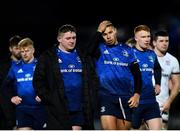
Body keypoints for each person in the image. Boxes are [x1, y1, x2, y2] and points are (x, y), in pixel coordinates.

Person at [33, 24, 96, 130]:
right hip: (57, 109)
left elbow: (92, 77)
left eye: (74, 38)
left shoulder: (82, 55)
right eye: (68, 38)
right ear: (59, 39)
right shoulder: (48, 57)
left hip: (79, 107)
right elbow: (38, 80)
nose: (71, 41)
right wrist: (50, 98)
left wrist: (91, 96)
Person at [87, 20, 142, 130]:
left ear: (115, 31)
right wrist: (98, 31)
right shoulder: (100, 49)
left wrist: (137, 94)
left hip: (126, 98)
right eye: (104, 34)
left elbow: (137, 75)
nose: (108, 36)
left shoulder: (128, 50)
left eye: (110, 32)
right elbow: (88, 51)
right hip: (106, 96)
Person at [2, 38, 46, 130]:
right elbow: (5, 86)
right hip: (22, 109)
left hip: (40, 108)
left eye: (27, 51)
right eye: (22, 51)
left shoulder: (41, 65)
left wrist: (44, 93)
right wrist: (12, 97)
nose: (24, 54)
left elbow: (52, 83)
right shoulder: (15, 66)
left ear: (33, 50)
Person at [132, 25, 162, 130]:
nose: (147, 39)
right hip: (135, 102)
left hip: (151, 100)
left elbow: (158, 69)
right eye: (143, 37)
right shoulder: (129, 54)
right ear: (136, 38)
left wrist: (158, 83)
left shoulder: (152, 54)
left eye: (148, 36)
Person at [153, 30, 180, 129]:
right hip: (145, 102)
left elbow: (177, 85)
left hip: (163, 104)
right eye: (161, 41)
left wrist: (169, 101)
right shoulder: (146, 57)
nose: (164, 43)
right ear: (154, 42)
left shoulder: (173, 61)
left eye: (166, 41)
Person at [0, 35, 22, 129]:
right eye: (16, 48)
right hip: (9, 110)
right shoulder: (3, 67)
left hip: (26, 107)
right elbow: (2, 91)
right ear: (10, 49)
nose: (19, 51)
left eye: (21, 48)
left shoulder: (30, 64)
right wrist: (10, 120)